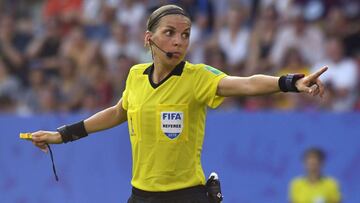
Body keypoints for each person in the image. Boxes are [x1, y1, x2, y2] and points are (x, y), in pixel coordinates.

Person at [29, 5, 328, 203]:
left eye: (185, 35)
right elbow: (118, 112)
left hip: (186, 196)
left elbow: (247, 82)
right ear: (149, 38)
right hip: (141, 195)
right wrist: (62, 134)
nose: (178, 41)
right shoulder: (135, 75)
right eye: (169, 33)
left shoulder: (197, 77)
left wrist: (290, 82)